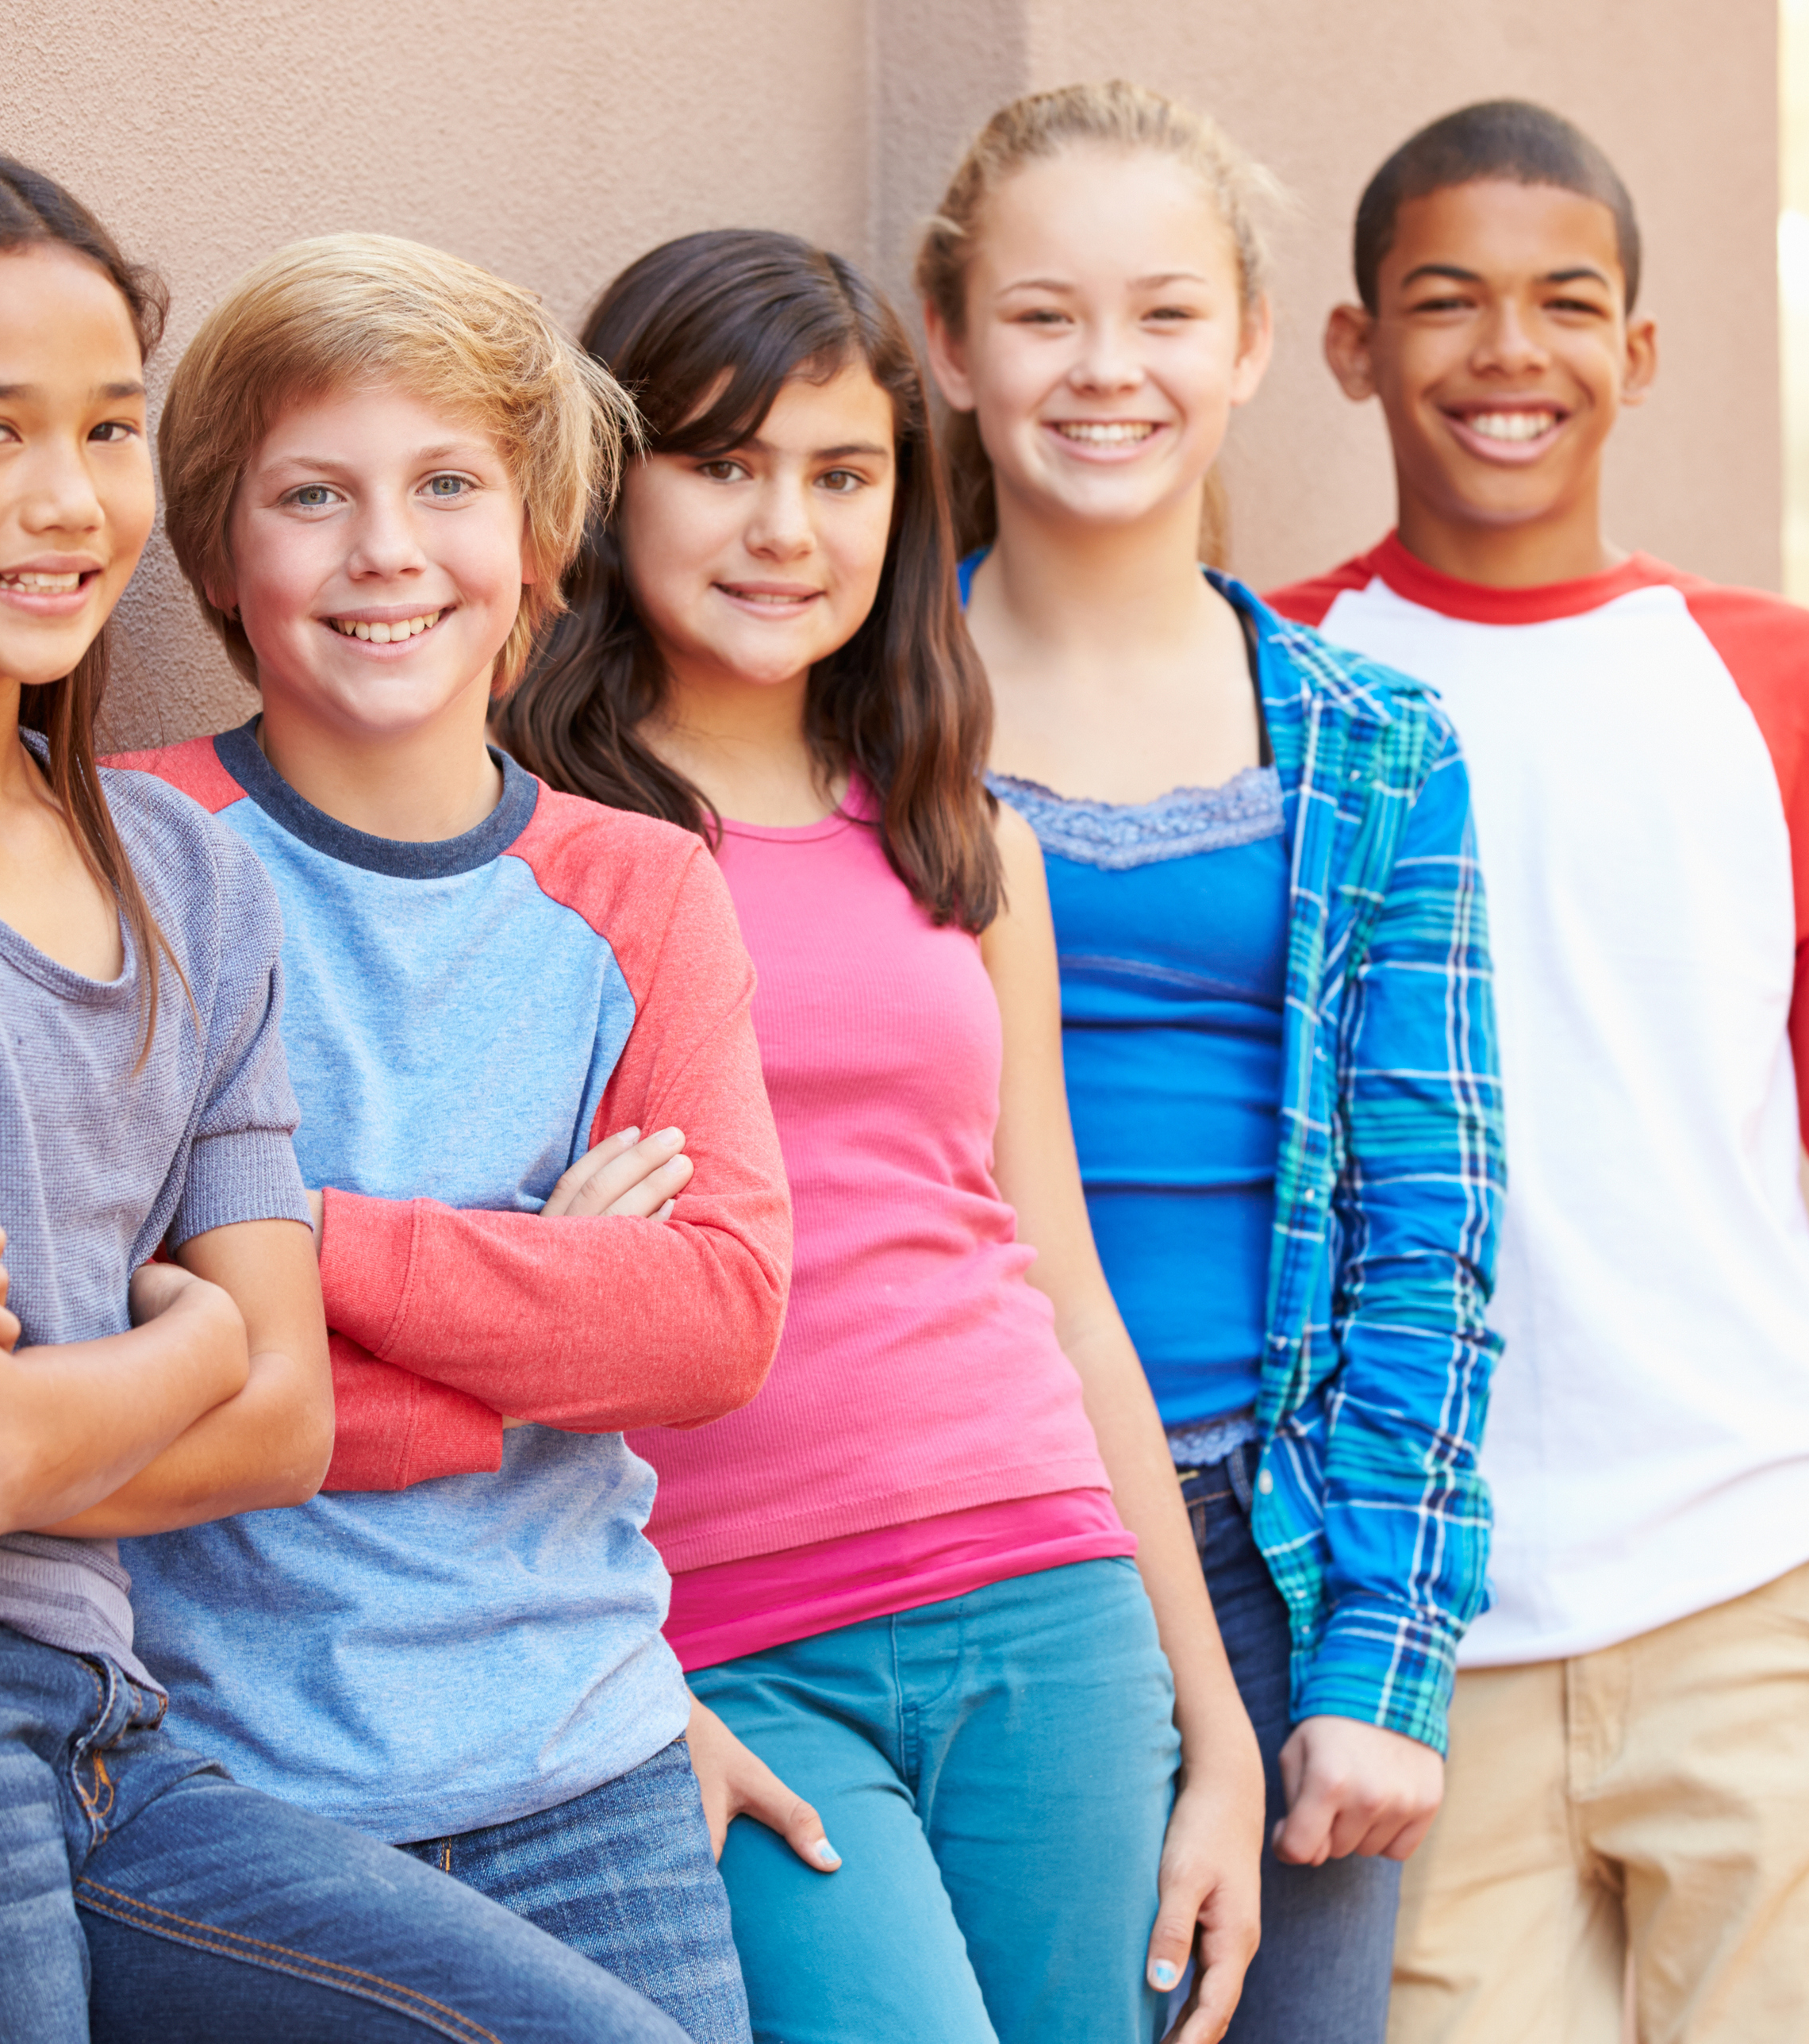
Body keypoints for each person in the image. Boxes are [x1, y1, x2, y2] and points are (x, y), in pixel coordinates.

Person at [0, 144, 685, 2042]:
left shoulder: (182, 877)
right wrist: (180, 1340)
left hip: (89, 1702)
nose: (65, 500)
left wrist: (77, 1380)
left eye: (103, 432)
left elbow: (286, 1422)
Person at [1268, 99, 1809, 2044]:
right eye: (1445, 302)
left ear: (1641, 351)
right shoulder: (1278, 673)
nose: (1510, 352)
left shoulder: (1770, 675)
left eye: (1566, 303)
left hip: (1757, 1579)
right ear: (1355, 347)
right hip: (1416, 1624)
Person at [499, 227, 1265, 2044]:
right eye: (723, 463)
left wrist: (1216, 1724)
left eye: (842, 475)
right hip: (722, 1644)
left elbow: (1063, 1286)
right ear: (611, 484)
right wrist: (625, 1681)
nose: (786, 528)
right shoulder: (528, 844)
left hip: (1052, 1607)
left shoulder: (965, 841)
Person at [94, 233, 787, 2044]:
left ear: (539, 555)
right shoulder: (130, 858)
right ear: (224, 566)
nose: (384, 548)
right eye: (311, 495)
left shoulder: (639, 886)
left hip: (591, 1771)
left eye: (448, 486)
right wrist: (539, 1319)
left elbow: (713, 1320)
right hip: (234, 1793)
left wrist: (292, 1248)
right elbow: (96, 1342)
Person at [912, 79, 1504, 2044]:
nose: (1108, 370)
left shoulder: (1376, 742)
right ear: (950, 340)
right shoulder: (850, 733)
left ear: (1252, 343)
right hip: (968, 1541)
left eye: (1166, 313)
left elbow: (1437, 1217)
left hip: (1278, 1554)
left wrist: (1386, 1660)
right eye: (1046, 314)